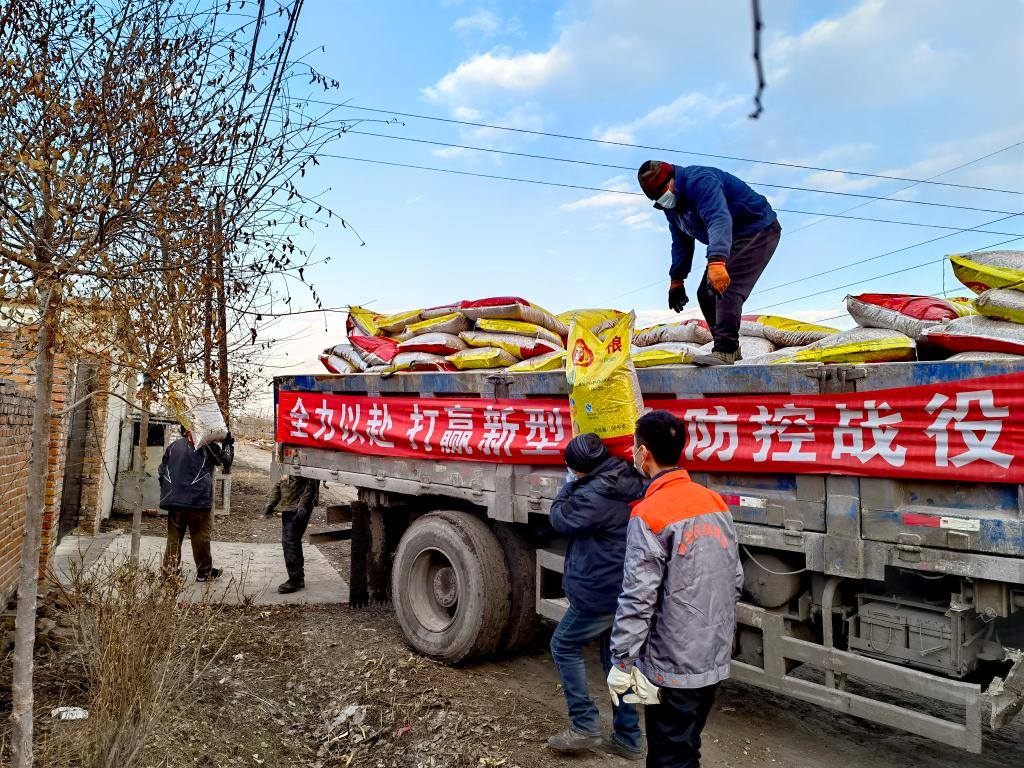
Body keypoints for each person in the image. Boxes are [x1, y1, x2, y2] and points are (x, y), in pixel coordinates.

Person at [607, 411, 743, 768]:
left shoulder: (649, 513)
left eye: (635, 448)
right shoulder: (714, 502)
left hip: (673, 664)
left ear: (644, 453)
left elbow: (638, 597)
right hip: (712, 655)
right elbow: (734, 578)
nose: (633, 453)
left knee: (669, 757)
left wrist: (621, 660)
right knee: (686, 749)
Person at [546, 433, 646, 761]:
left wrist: (568, 487)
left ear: (581, 468)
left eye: (571, 467)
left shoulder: (594, 494)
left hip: (599, 588)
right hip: (623, 585)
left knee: (563, 644)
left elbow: (560, 518)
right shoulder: (624, 474)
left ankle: (585, 724)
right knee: (617, 661)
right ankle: (628, 738)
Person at [637, 160, 782, 366]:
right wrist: (677, 280)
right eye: (657, 199)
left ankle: (726, 350)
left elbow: (718, 218)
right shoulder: (671, 206)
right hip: (730, 239)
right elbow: (681, 242)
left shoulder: (700, 181)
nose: (663, 200)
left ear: (673, 179)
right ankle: (727, 349)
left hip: (757, 228)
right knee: (705, 294)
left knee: (725, 287)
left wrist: (717, 262)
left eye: (663, 193)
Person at [159, 426, 234, 581]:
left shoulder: (173, 446)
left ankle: (169, 573)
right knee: (200, 537)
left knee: (174, 538)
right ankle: (204, 573)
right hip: (197, 501)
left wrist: (170, 490)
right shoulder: (206, 446)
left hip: (174, 500)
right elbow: (226, 461)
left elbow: (162, 470)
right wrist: (228, 444)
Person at [264, 474, 321, 594]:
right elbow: (280, 482)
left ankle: (296, 580)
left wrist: (303, 504)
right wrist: (271, 503)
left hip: (297, 508)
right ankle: (297, 578)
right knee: (290, 543)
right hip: (288, 507)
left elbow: (312, 482)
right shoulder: (286, 464)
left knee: (290, 543)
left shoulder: (301, 464)